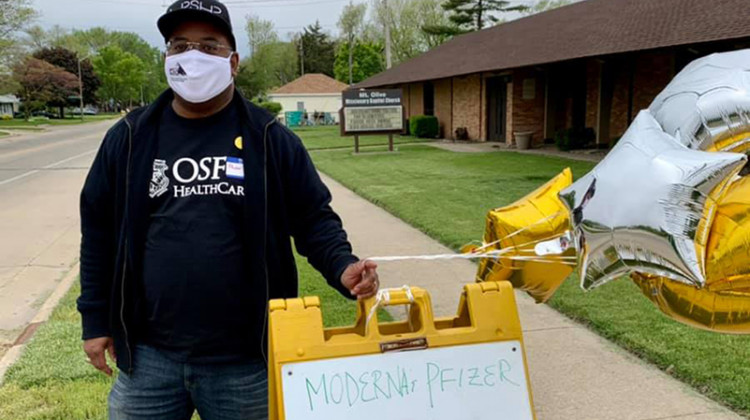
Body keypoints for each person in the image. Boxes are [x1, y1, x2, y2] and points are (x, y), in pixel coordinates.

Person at [77, 1, 379, 419]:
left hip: (246, 362)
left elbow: (313, 219)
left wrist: (342, 266)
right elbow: (98, 232)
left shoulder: (270, 138)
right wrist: (95, 322)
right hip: (148, 359)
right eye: (179, 45)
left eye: (209, 46)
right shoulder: (129, 138)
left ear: (233, 61)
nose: (192, 56)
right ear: (166, 57)